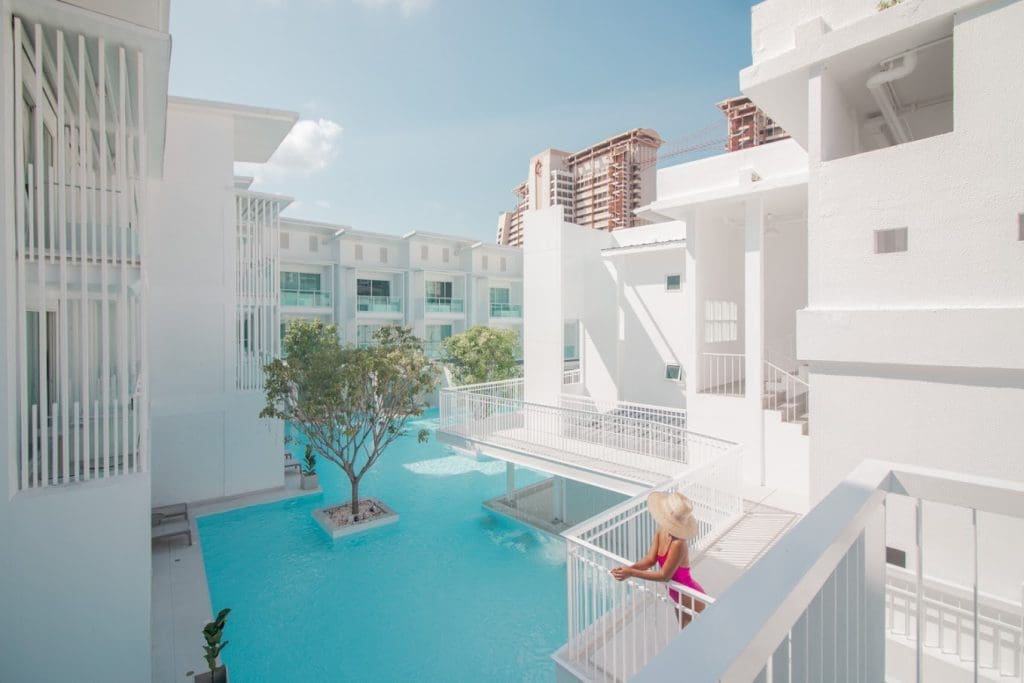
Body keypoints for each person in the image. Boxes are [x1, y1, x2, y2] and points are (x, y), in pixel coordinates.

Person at [610, 490, 707, 627]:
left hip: (689, 596)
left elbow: (664, 576)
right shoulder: (661, 531)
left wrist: (631, 572)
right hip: (678, 594)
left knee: (689, 635)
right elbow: (650, 560)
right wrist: (627, 569)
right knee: (687, 634)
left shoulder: (678, 544)